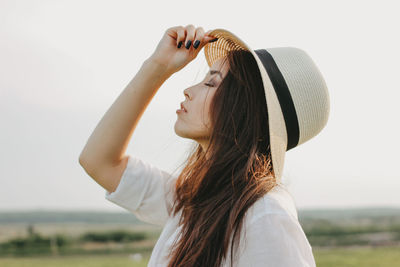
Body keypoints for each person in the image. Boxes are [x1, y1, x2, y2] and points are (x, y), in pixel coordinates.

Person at [79, 24, 329, 267]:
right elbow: (98, 162)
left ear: (244, 110)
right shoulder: (195, 201)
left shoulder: (263, 217)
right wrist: (158, 66)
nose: (188, 90)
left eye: (211, 83)